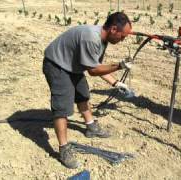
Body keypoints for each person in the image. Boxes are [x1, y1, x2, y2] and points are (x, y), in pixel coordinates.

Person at [43, 12, 134, 168]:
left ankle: (91, 127)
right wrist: (119, 66)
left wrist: (116, 83)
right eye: (122, 36)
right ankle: (64, 148)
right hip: (57, 64)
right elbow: (93, 70)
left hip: (73, 64)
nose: (122, 40)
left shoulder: (103, 39)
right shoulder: (91, 38)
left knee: (83, 94)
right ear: (113, 29)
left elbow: (96, 65)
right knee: (62, 107)